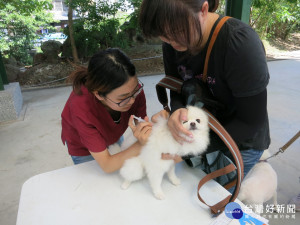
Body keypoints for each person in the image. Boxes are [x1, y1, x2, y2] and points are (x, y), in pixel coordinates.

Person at [139, 0, 271, 180]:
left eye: (176, 32)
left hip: (239, 141)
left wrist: (186, 149)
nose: (170, 42)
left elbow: (250, 122)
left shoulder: (239, 43)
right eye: (163, 35)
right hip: (201, 130)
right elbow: (177, 87)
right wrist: (177, 113)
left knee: (217, 199)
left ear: (203, 10)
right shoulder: (173, 41)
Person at [61, 48, 153, 173]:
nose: (132, 100)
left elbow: (140, 124)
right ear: (99, 95)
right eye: (123, 98)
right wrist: (140, 144)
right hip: (82, 146)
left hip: (111, 133)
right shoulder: (81, 108)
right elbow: (107, 165)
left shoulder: (132, 91)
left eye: (135, 91)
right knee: (96, 182)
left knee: (121, 166)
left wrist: (153, 129)